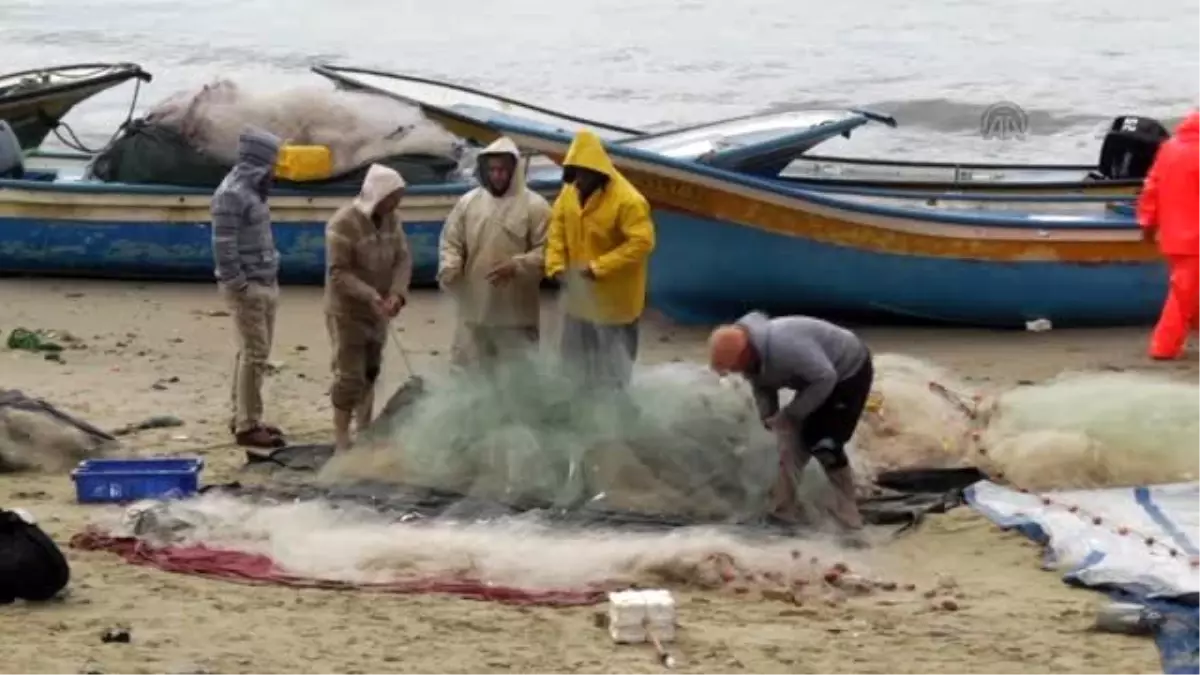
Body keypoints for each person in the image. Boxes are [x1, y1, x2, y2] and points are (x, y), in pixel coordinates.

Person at [708, 311, 873, 530]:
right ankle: (784, 512)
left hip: (848, 371)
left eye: (733, 367)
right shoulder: (751, 359)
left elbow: (826, 377)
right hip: (814, 379)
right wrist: (769, 417)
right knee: (789, 441)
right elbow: (763, 388)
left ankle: (849, 515)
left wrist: (791, 413)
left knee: (824, 443)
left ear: (745, 353)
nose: (734, 372)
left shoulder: (786, 348)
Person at [544, 130, 655, 389]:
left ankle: (616, 419)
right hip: (579, 302)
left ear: (597, 171)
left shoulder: (629, 201)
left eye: (582, 174)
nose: (578, 181)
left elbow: (642, 242)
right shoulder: (568, 194)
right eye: (574, 173)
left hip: (616, 305)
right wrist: (555, 266)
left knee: (613, 375)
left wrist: (598, 268)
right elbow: (557, 229)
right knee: (572, 368)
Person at [438, 137, 551, 371]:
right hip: (475, 310)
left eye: (502, 170)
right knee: (470, 374)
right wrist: (451, 264)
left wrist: (518, 265)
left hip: (518, 315)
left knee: (518, 378)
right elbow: (451, 241)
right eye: (492, 170)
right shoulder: (468, 203)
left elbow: (549, 251)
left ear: (514, 170)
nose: (497, 176)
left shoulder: (536, 206)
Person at [324, 163, 412, 451]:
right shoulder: (342, 224)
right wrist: (370, 295)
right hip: (348, 312)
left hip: (380, 311)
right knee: (349, 375)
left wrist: (397, 294)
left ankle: (364, 429)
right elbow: (338, 273)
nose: (396, 203)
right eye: (393, 197)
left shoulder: (392, 220)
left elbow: (402, 259)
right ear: (379, 195)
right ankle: (341, 436)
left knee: (372, 369)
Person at [211, 126, 285, 449]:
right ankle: (247, 425)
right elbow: (222, 245)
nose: (277, 170)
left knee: (252, 353)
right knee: (255, 354)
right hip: (249, 286)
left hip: (264, 280)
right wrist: (238, 283)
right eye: (273, 163)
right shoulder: (232, 194)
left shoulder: (252, 191)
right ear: (260, 162)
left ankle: (243, 415)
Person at [1137, 110, 1200, 361]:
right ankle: (1163, 348)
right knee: (1182, 297)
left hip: (1173, 236)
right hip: (1195, 240)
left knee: (1187, 292)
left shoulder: (1169, 148)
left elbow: (1151, 187)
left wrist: (1147, 224)